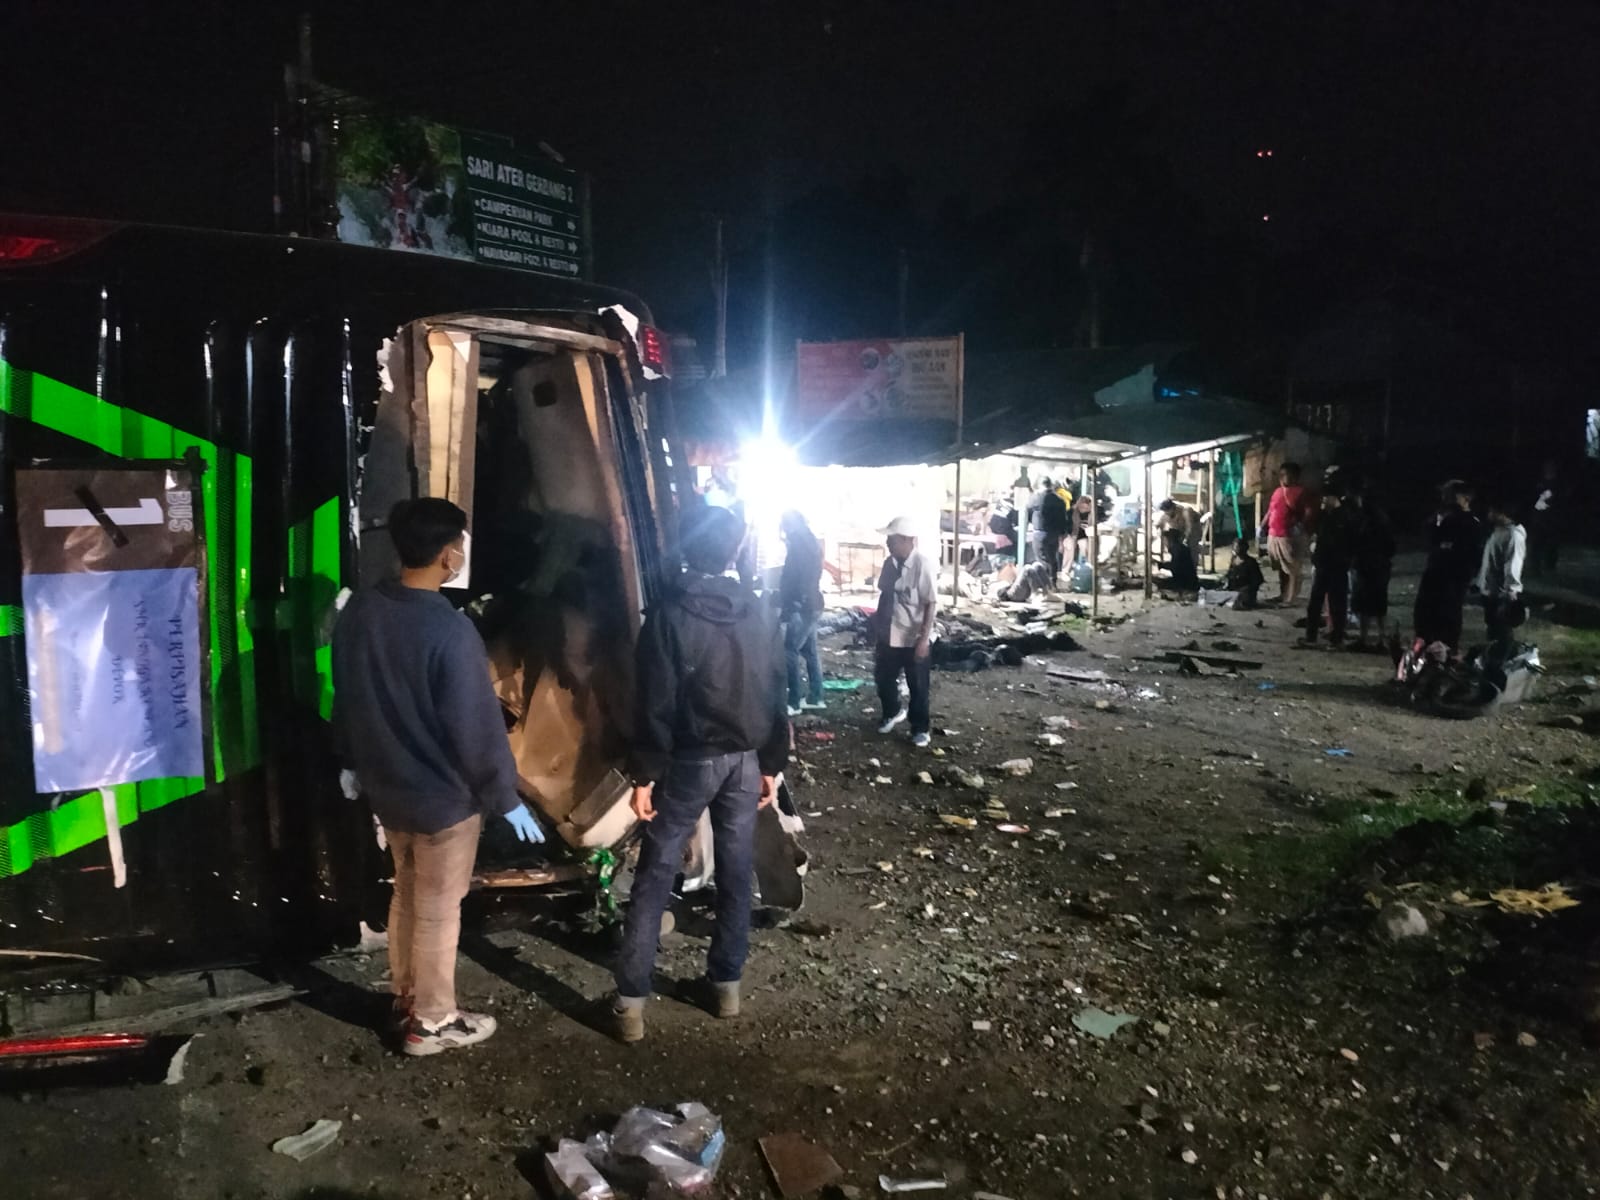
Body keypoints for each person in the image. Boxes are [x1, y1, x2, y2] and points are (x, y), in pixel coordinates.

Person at [332, 498, 545, 1057]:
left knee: (406, 891)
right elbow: (476, 729)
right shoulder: (450, 634)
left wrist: (351, 761)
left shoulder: (363, 610)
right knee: (436, 908)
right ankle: (432, 1021)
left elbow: (347, 694)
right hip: (443, 800)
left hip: (387, 787)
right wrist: (506, 796)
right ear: (450, 554)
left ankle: (406, 996)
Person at [611, 506, 788, 1043]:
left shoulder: (669, 616)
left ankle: (630, 1006)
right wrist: (773, 765)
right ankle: (726, 986)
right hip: (744, 760)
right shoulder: (757, 611)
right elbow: (774, 688)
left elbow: (655, 702)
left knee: (656, 874)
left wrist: (644, 774)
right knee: (736, 871)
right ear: (734, 550)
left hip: (689, 761)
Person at [874, 516, 937, 749]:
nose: (889, 543)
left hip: (912, 636)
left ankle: (920, 728)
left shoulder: (923, 565)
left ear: (907, 540)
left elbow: (931, 603)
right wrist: (877, 629)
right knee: (883, 678)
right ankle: (892, 712)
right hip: (889, 634)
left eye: (893, 539)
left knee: (918, 685)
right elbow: (884, 597)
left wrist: (923, 639)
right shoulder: (889, 565)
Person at [1413, 480, 1482, 653]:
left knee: (1449, 612)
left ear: (1464, 498)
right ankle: (1428, 646)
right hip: (1435, 572)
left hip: (1455, 576)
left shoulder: (1470, 522)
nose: (1446, 498)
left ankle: (1448, 649)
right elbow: (1431, 540)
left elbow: (1469, 551)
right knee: (1426, 610)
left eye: (1450, 494)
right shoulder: (1441, 517)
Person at [777, 510, 826, 715]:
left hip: (803, 605)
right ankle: (816, 697)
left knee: (790, 650)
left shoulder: (798, 542)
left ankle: (794, 701)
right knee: (810, 651)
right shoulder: (810, 540)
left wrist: (793, 602)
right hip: (813, 602)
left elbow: (796, 575)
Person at [1301, 487, 1354, 646]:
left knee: (1337, 603)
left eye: (1326, 498)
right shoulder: (1324, 516)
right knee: (1315, 603)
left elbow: (1347, 542)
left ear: (1335, 499)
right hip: (1323, 564)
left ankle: (1336, 638)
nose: (1323, 501)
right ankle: (1311, 636)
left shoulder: (1344, 517)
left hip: (1337, 565)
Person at [1477, 494, 1527, 647]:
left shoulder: (1513, 536)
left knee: (1502, 632)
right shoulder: (1498, 531)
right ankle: (1493, 660)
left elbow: (1513, 564)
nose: (1488, 514)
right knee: (1493, 629)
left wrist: (1510, 592)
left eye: (1492, 511)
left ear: (1501, 513)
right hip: (1491, 591)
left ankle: (1502, 663)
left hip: (1501, 595)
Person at [1350, 485, 1396, 649]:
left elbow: (1356, 541)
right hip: (1379, 566)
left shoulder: (1365, 519)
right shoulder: (1382, 519)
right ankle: (1379, 639)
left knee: (1365, 604)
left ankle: (1366, 638)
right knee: (1377, 604)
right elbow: (1391, 546)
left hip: (1367, 566)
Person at [1265, 463, 1311, 605]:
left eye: (1286, 474)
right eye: (1282, 474)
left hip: (1288, 535)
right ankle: (1282, 594)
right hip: (1274, 534)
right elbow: (1270, 510)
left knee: (1292, 568)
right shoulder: (1277, 491)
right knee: (1280, 567)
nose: (1283, 477)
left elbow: (1308, 511)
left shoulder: (1300, 491)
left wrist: (1301, 525)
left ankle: (1291, 598)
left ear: (1295, 476)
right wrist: (1261, 526)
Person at [1158, 500, 1200, 595]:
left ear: (1172, 508)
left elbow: (1190, 527)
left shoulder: (1185, 511)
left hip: (1193, 530)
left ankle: (1192, 575)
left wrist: (1185, 540)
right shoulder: (1166, 515)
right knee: (1177, 553)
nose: (1166, 514)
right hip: (1179, 533)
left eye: (1167, 511)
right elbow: (1158, 524)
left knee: (1189, 552)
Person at [1526, 459, 1560, 577]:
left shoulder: (1558, 484)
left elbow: (1559, 500)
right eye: (1547, 467)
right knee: (1536, 543)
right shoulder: (1539, 483)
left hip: (1551, 518)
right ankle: (1535, 568)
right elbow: (1533, 498)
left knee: (1551, 543)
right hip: (1538, 518)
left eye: (1551, 467)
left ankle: (1549, 565)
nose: (1548, 469)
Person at [1224, 537, 1265, 610]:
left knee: (1239, 602)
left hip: (1246, 591)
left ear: (1245, 548)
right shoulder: (1233, 559)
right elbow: (1229, 575)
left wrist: (1248, 589)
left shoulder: (1251, 562)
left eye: (1238, 547)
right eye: (1235, 547)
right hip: (1233, 590)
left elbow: (1258, 580)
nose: (1237, 549)